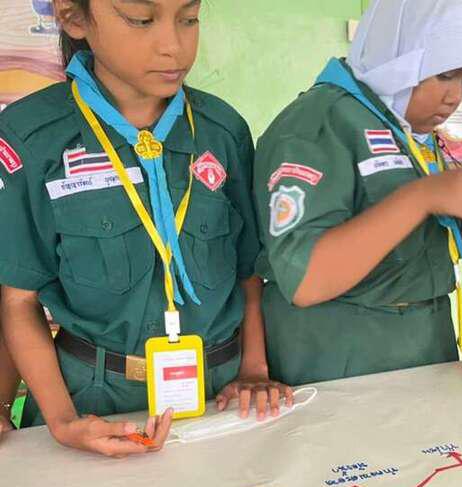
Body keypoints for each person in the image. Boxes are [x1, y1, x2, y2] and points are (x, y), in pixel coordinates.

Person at [0, 0, 291, 457]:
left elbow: (247, 272)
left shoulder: (222, 130)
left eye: (189, 19)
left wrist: (253, 369)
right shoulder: (31, 137)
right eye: (141, 20)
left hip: (220, 391)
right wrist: (63, 420)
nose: (173, 46)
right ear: (74, 17)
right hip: (93, 399)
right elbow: (19, 301)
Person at [255, 0, 462, 386]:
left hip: (423, 346)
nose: (455, 96)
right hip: (342, 356)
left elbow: (387, 223)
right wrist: (422, 197)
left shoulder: (404, 128)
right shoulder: (318, 123)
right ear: (398, 54)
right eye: (445, 75)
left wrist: (452, 232)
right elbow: (306, 280)